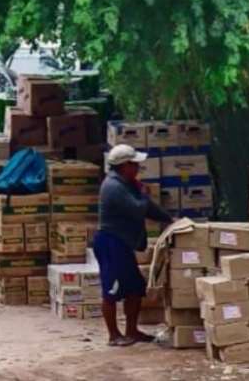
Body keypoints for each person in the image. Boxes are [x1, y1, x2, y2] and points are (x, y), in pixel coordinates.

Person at [94, 144, 173, 347]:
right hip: (111, 242)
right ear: (124, 166)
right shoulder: (114, 187)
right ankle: (113, 335)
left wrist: (171, 220)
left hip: (122, 243)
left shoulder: (126, 183)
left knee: (135, 288)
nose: (138, 168)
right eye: (134, 164)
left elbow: (149, 209)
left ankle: (131, 330)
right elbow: (139, 208)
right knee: (111, 290)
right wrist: (144, 193)